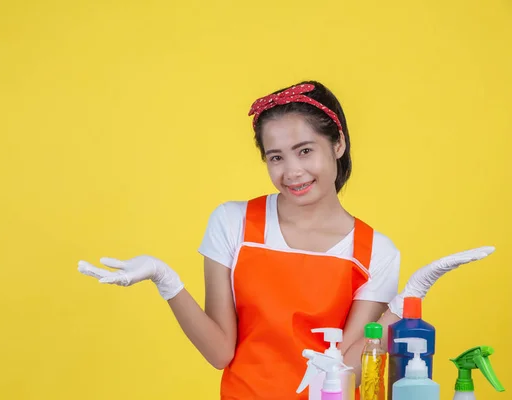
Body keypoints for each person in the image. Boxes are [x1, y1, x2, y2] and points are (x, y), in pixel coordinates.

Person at [77, 81, 494, 399]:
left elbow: (348, 368)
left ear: (338, 144)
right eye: (276, 157)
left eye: (305, 150)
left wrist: (399, 311)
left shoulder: (374, 252)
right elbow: (221, 352)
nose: (292, 171)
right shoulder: (233, 223)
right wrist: (166, 280)